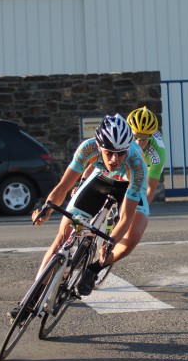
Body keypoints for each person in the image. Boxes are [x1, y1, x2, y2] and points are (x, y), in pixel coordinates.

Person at [31, 113, 149, 297]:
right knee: (63, 237)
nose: (114, 160)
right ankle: (34, 295)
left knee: (132, 238)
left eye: (120, 154)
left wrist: (111, 242)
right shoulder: (87, 148)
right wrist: (46, 209)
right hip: (101, 179)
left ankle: (94, 269)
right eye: (109, 153)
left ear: (128, 149)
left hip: (128, 185)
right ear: (99, 146)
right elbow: (63, 187)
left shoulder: (137, 165)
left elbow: (126, 217)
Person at [126, 106, 167, 205]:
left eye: (143, 139)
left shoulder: (158, 155)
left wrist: (142, 211)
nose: (138, 143)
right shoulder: (123, 137)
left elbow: (150, 189)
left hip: (147, 161)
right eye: (135, 137)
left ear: (150, 136)